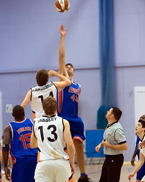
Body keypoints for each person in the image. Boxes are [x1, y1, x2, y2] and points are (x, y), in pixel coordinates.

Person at [58, 24, 90, 182]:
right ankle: (67, 175)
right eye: (66, 67)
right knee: (64, 148)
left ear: (74, 71)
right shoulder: (63, 81)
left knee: (79, 147)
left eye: (70, 66)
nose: (68, 67)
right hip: (63, 118)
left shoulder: (79, 86)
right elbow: (62, 58)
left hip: (75, 118)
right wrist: (63, 37)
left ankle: (83, 176)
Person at [30, 96, 75, 182]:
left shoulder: (36, 122)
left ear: (43, 108)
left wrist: (44, 143)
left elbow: (32, 144)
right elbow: (70, 144)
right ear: (56, 108)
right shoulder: (63, 122)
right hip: (61, 163)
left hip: (43, 163)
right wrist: (72, 162)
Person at [2, 105, 38, 182]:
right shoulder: (32, 123)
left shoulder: (9, 128)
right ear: (24, 113)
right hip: (35, 160)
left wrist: (5, 166)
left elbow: (5, 146)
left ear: (12, 115)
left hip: (20, 162)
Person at [95, 107, 128, 182]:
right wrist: (100, 145)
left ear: (112, 115)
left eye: (109, 111)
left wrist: (108, 145)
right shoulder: (109, 125)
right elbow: (107, 139)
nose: (107, 111)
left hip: (115, 159)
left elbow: (125, 146)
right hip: (108, 158)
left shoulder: (117, 129)